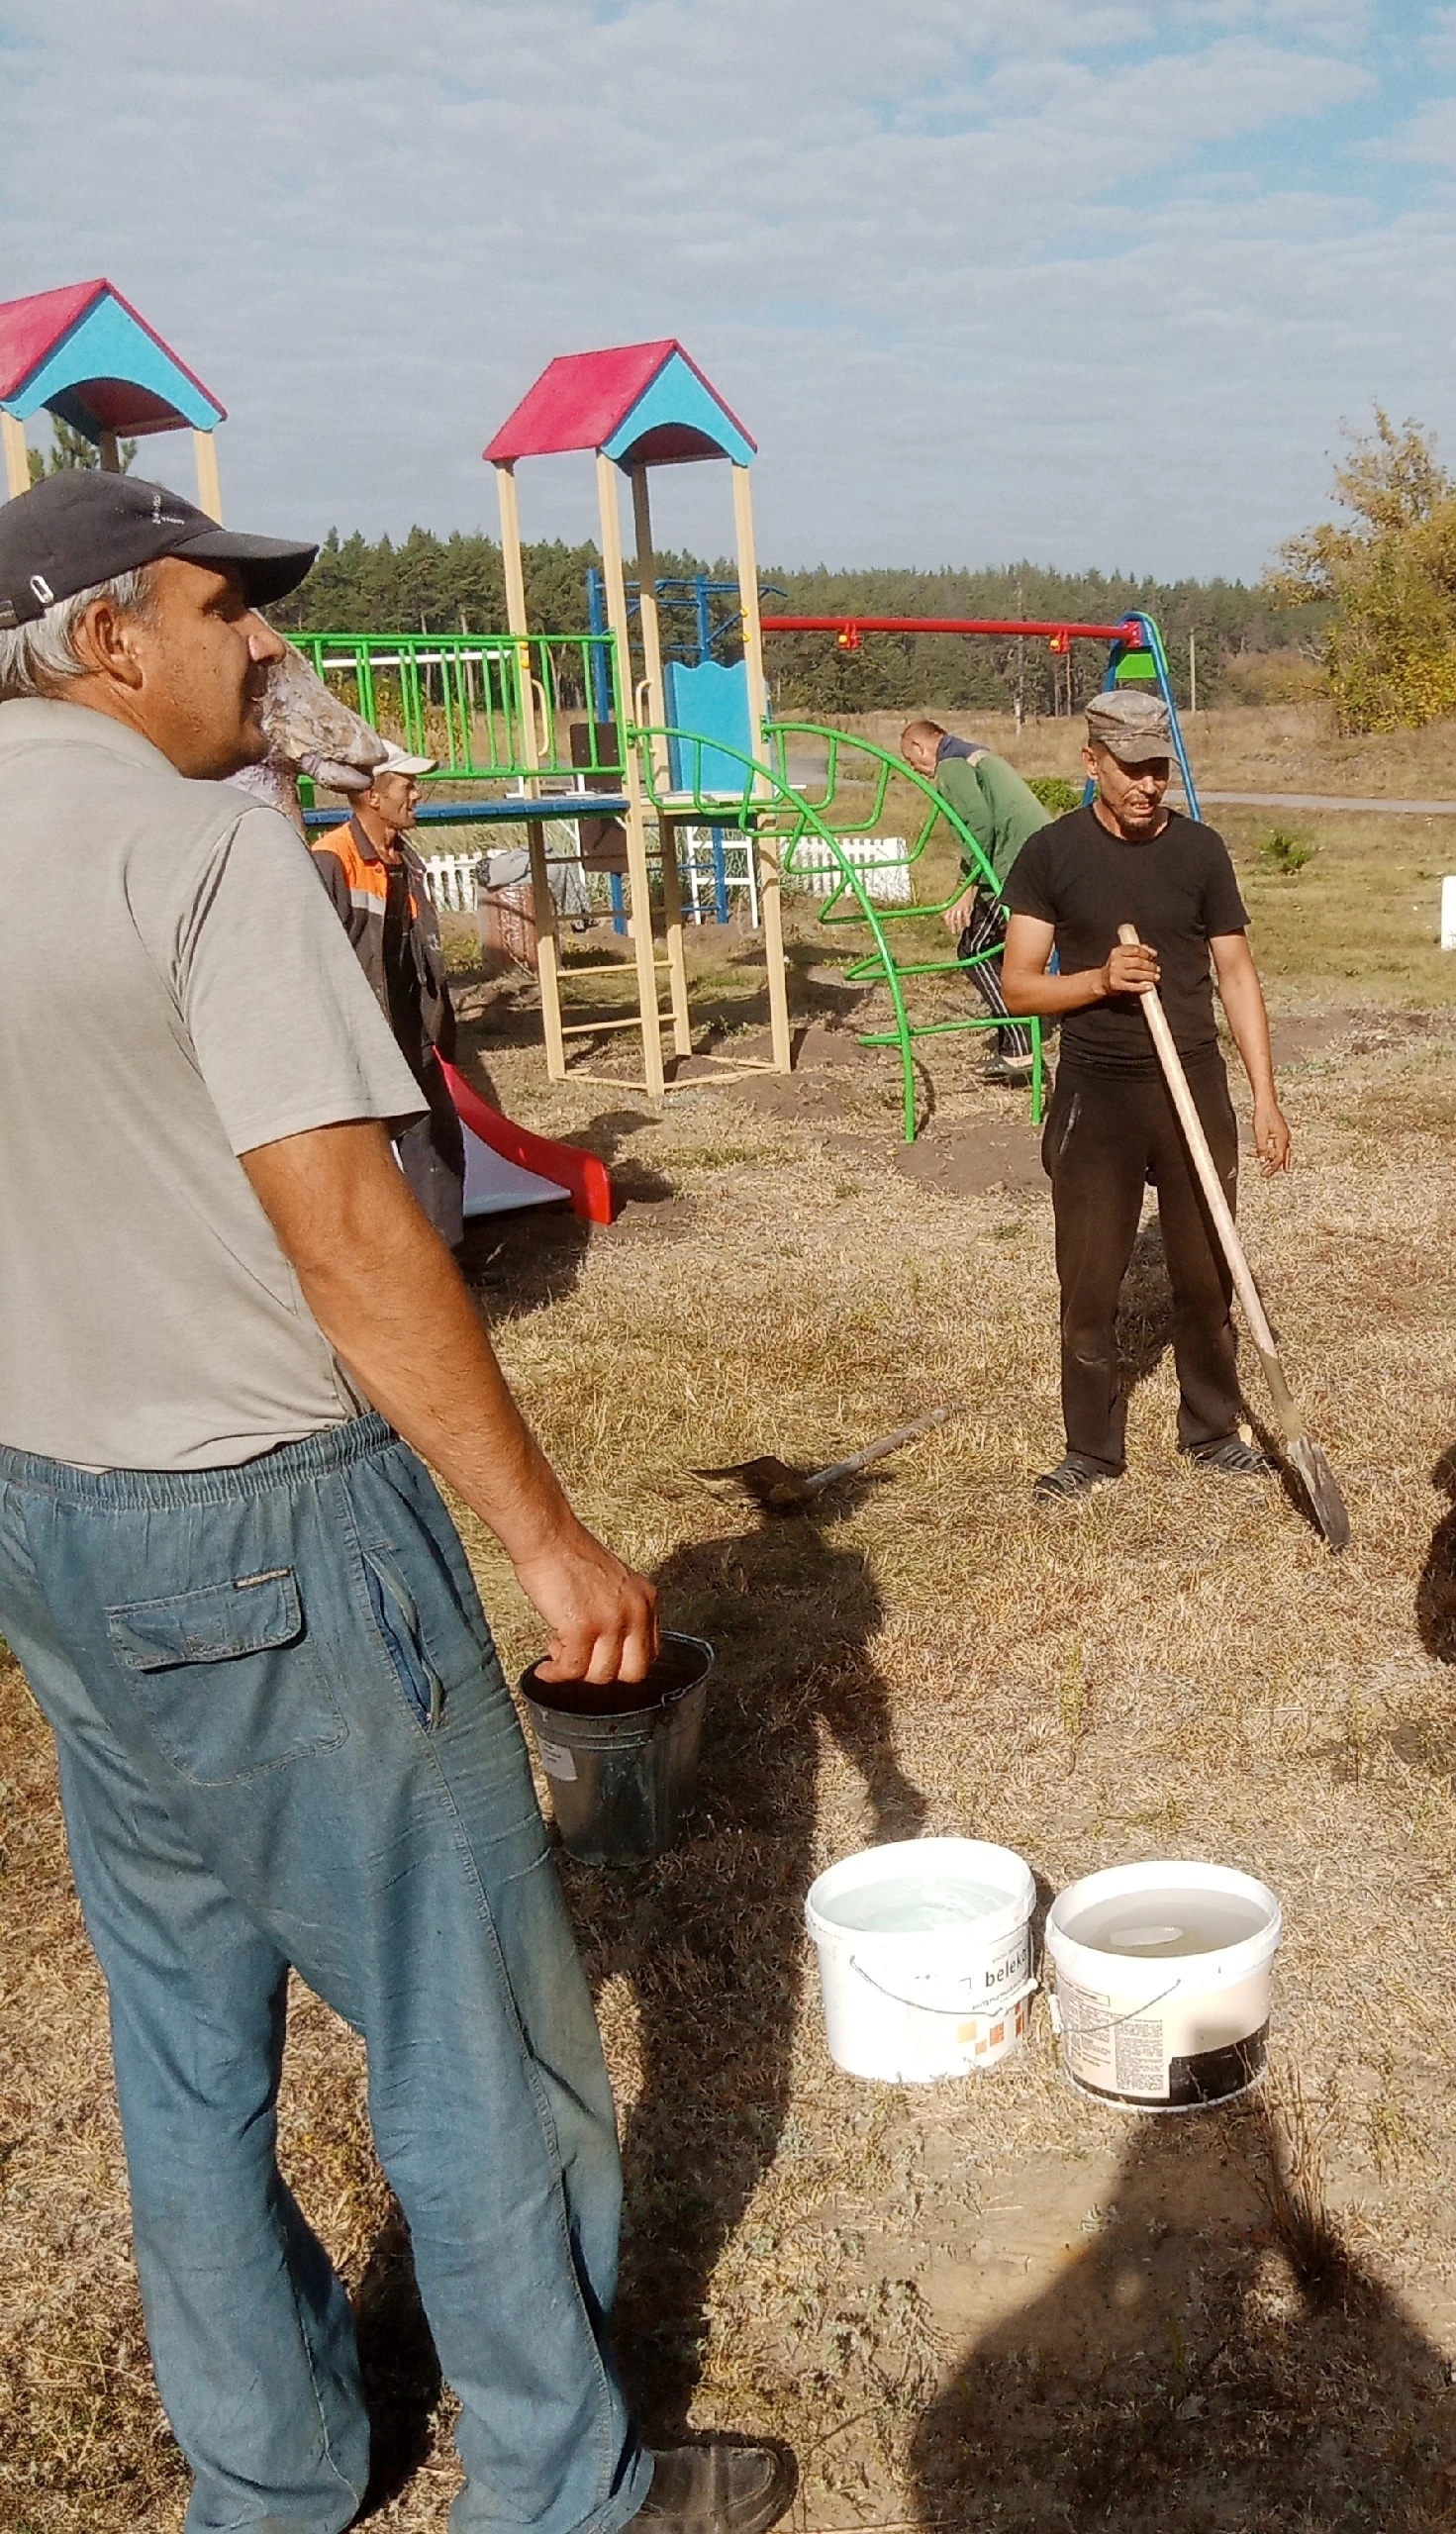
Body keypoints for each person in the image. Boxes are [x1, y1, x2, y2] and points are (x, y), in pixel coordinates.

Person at [0, 472, 789, 2534]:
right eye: (222, 607)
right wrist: (543, 1535)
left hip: (55, 1534)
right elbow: (353, 1233)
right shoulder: (204, 851)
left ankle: (267, 2478)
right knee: (477, 2031)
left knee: (184, 2050)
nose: (265, 644)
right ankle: (555, 2483)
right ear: (105, 638)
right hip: (267, 1530)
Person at [998, 687, 1293, 1501]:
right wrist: (1097, 980)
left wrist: (1264, 1097)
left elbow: (1236, 973)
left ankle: (1211, 1429)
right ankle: (1092, 1450)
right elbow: (1019, 988)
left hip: (1193, 1084)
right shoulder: (1051, 855)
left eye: (1157, 769)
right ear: (1090, 762)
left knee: (1206, 1276)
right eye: (1129, 769)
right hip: (1099, 1095)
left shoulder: (1200, 852)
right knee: (1089, 1284)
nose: (1146, 786)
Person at [312, 747, 469, 1244]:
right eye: (407, 785)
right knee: (366, 1158)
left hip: (410, 1029)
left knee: (438, 1142)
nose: (416, 794)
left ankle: (445, 1263)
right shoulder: (331, 861)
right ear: (374, 796)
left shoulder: (406, 860)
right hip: (360, 1037)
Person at [899, 716, 1048, 1080]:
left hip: (1014, 864)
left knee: (975, 951)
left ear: (921, 745)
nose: (915, 770)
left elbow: (980, 825)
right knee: (1001, 949)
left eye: (910, 760)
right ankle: (1017, 1035)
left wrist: (967, 891)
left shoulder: (951, 766)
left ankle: (1020, 1049)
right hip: (1035, 854)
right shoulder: (975, 755)